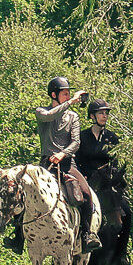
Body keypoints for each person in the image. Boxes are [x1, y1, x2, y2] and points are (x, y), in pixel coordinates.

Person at [26, 75, 99, 252]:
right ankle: (18, 237)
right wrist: (72, 101)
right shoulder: (41, 112)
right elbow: (50, 116)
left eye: (69, 95)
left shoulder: (73, 117)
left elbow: (76, 142)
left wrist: (62, 154)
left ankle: (87, 234)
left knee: (86, 194)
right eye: (64, 94)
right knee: (23, 192)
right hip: (45, 166)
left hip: (67, 165)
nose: (68, 97)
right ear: (53, 95)